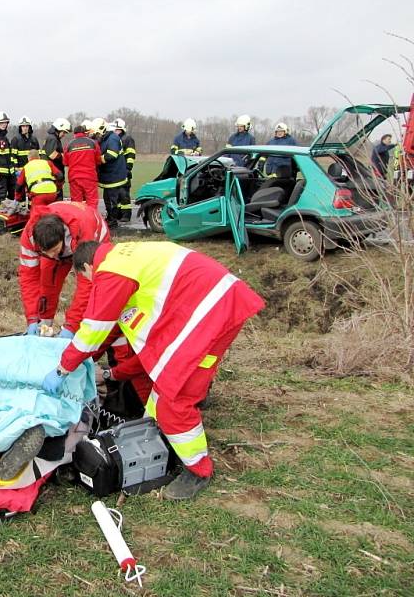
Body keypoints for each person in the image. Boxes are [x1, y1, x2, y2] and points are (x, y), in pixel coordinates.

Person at [42, 241, 265, 500]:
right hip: (217, 306)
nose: (92, 285)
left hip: (209, 313)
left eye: (87, 279)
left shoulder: (112, 270)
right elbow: (112, 329)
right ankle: (169, 431)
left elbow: (94, 328)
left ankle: (198, 470)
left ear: (88, 267)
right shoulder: (129, 257)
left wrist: (62, 369)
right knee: (171, 387)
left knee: (174, 401)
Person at [19, 201, 110, 338]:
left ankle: (89, 336)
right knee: (48, 282)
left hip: (92, 239)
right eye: (45, 252)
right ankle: (43, 328)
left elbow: (86, 286)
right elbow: (28, 279)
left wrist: (71, 326)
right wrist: (32, 318)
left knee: (98, 290)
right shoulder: (29, 237)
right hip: (66, 239)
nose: (51, 256)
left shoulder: (84, 233)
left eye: (54, 250)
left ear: (63, 237)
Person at [96, 119, 128, 227]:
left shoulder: (112, 138)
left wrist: (98, 159)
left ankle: (113, 220)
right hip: (109, 175)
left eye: (98, 133)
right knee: (107, 198)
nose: (97, 135)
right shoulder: (106, 138)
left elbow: (112, 154)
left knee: (112, 199)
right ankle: (110, 217)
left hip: (114, 175)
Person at [15, 149, 63, 218]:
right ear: (39, 157)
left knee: (36, 219)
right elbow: (60, 176)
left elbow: (19, 186)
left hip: (38, 195)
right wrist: (57, 188)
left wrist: (17, 199)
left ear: (28, 158)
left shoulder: (26, 167)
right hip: (52, 194)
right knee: (52, 216)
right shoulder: (47, 163)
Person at [63, 124, 101, 211]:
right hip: (90, 176)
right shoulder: (93, 143)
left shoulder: (69, 145)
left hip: (74, 178)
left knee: (76, 203)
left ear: (74, 134)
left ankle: (78, 222)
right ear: (85, 133)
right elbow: (98, 160)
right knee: (92, 202)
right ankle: (91, 220)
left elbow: (65, 162)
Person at [41, 117, 71, 200]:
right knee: (56, 198)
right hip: (53, 175)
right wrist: (64, 156)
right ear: (59, 129)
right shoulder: (52, 138)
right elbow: (52, 155)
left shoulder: (53, 138)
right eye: (64, 132)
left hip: (53, 174)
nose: (64, 134)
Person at [112, 118, 136, 220]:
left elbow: (130, 155)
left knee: (124, 193)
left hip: (124, 171)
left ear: (120, 129)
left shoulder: (127, 139)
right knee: (116, 194)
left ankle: (126, 215)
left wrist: (128, 169)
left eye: (115, 129)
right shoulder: (116, 139)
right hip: (116, 172)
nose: (114, 131)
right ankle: (118, 214)